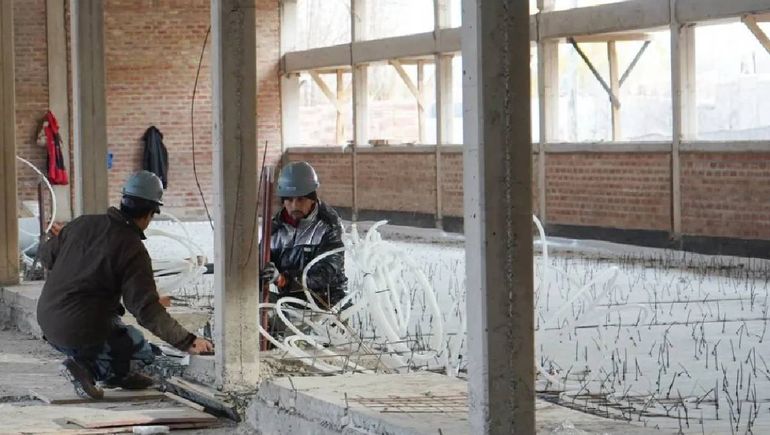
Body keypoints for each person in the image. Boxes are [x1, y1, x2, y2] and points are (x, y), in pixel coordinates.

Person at [36, 170, 213, 399]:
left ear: (123, 200)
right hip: (77, 329)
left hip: (47, 322)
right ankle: (87, 369)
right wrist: (188, 341)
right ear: (150, 213)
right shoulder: (132, 248)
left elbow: (46, 255)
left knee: (114, 329)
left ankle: (117, 375)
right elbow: (146, 310)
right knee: (142, 349)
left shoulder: (82, 223)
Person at [260, 161, 348, 309]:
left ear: (312, 198)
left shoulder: (328, 225)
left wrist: (283, 280)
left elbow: (326, 272)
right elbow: (260, 260)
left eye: (300, 199)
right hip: (289, 302)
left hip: (327, 305)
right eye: (289, 200)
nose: (294, 206)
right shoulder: (275, 228)